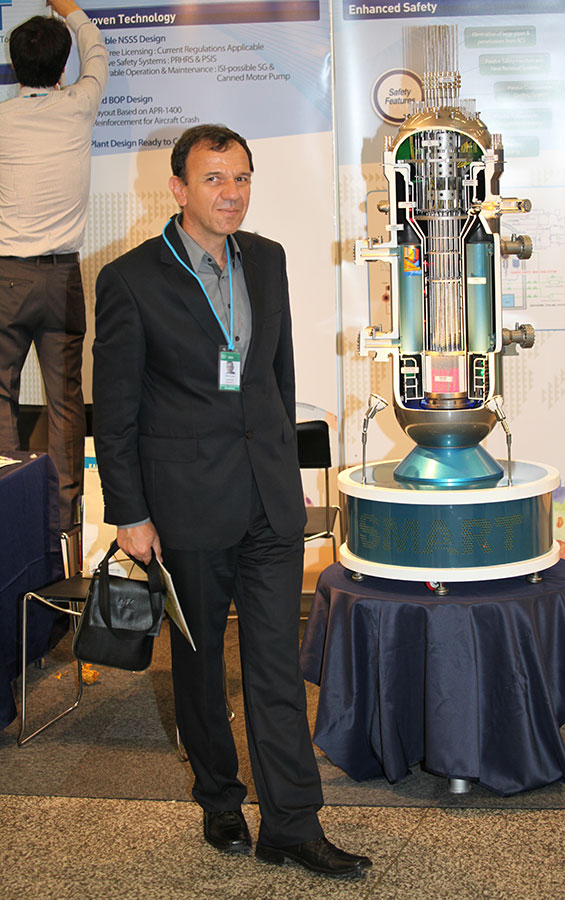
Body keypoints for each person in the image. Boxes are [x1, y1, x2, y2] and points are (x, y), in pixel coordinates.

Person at [92, 124, 372, 876]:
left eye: (242, 177)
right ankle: (219, 797)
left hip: (267, 502)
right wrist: (130, 513)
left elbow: (277, 376)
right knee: (199, 666)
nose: (232, 193)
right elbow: (115, 412)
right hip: (184, 506)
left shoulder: (268, 259)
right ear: (178, 189)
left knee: (277, 663)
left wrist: (283, 465)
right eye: (214, 179)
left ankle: (292, 824)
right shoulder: (129, 281)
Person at [0, 1, 108, 529]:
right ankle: (63, 522)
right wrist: (69, 9)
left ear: (14, 66)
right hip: (62, 277)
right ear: (63, 68)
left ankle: (8, 509)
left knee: (0, 394)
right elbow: (98, 52)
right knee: (66, 403)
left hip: (6, 277)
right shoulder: (79, 104)